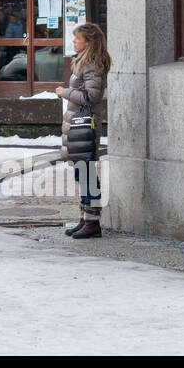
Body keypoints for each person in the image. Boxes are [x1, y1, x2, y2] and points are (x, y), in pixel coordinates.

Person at [56, 22, 110, 240]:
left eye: (77, 38)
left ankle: (93, 222)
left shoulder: (93, 64)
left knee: (87, 173)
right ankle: (85, 218)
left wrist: (65, 92)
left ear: (89, 42)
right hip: (78, 122)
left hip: (85, 124)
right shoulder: (84, 61)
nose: (74, 41)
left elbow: (91, 97)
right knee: (82, 171)